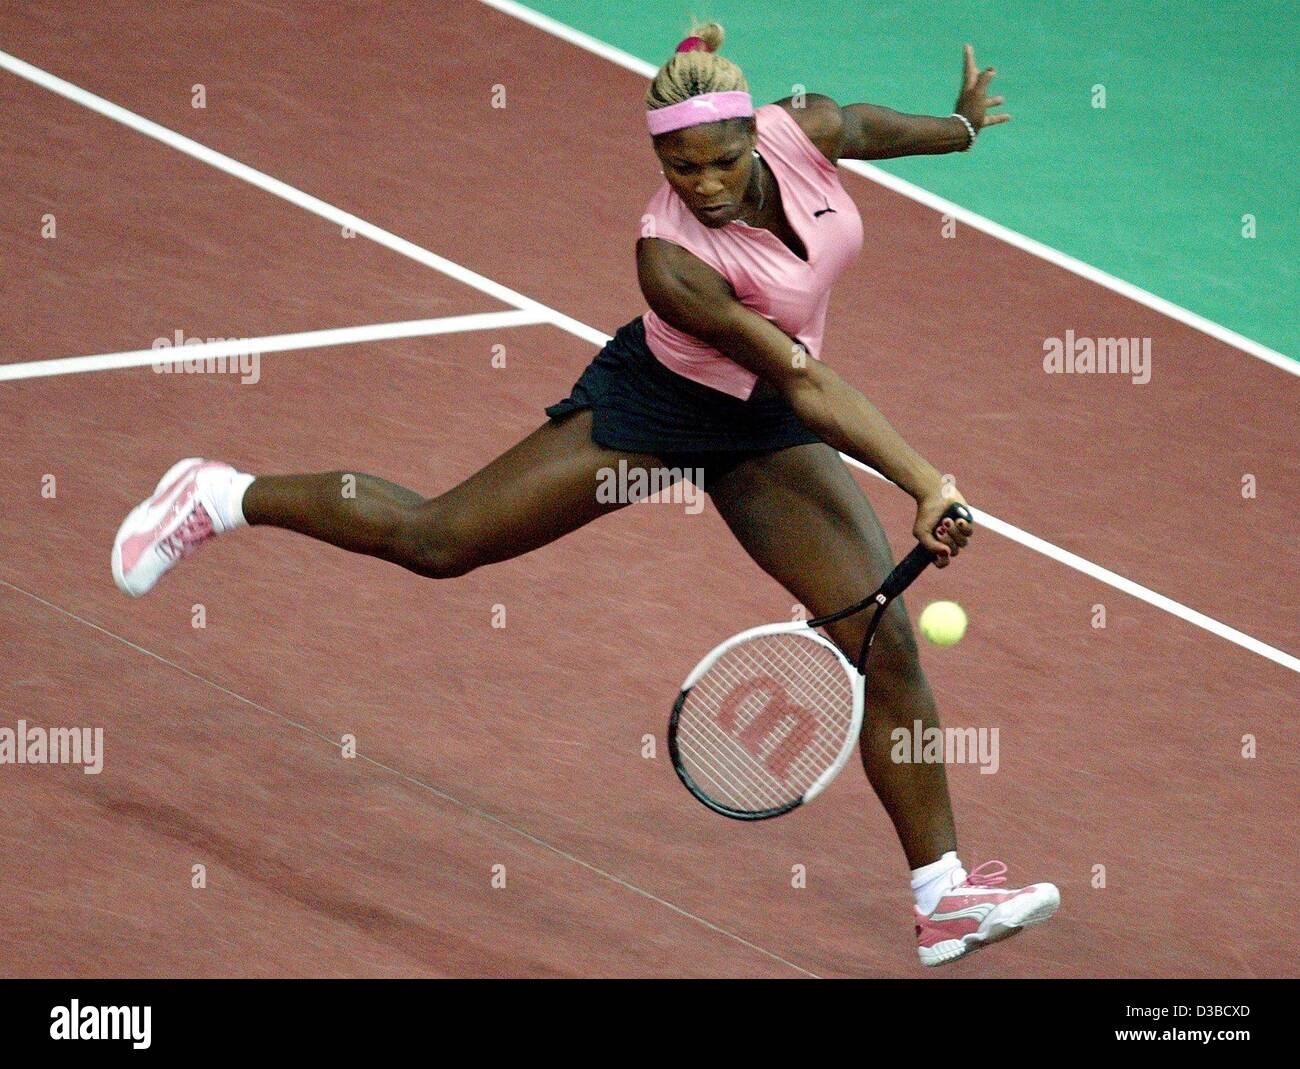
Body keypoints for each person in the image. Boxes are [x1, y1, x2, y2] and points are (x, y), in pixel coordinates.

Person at [112, 21, 1057, 966]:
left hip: (761, 427)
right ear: (660, 161)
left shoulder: (800, 129)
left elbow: (856, 124)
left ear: (756, 134)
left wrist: (958, 130)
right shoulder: (669, 258)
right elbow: (807, 382)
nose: (709, 185)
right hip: (662, 410)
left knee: (883, 645)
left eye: (723, 160)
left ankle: (944, 897)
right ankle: (223, 493)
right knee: (439, 541)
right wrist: (925, 482)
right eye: (682, 169)